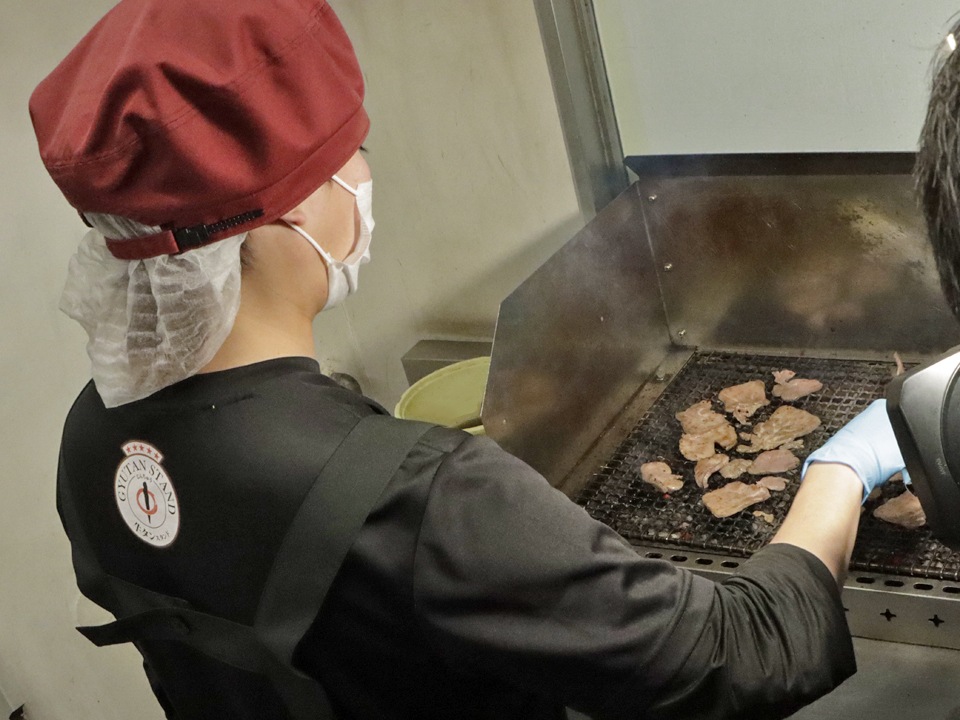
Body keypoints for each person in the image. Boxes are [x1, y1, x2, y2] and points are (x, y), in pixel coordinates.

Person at [30, 0, 913, 718]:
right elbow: (738, 652)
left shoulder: (91, 437)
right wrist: (838, 469)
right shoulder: (419, 498)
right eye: (350, 156)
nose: (365, 181)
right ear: (292, 212)